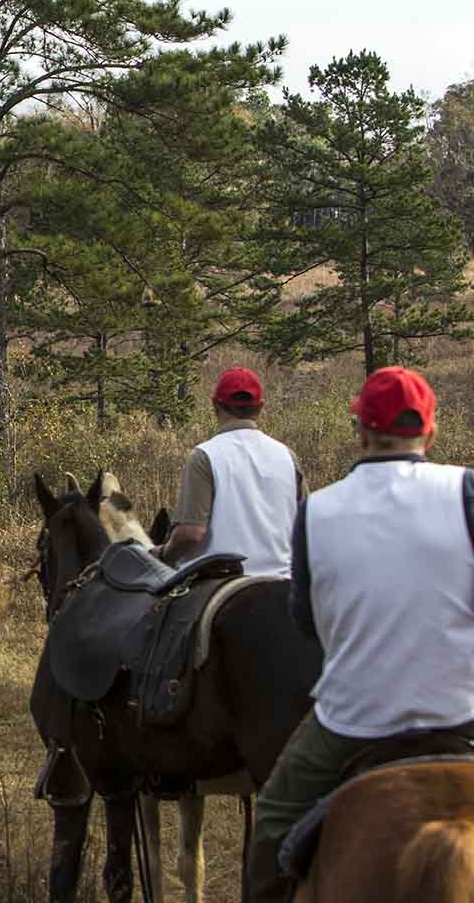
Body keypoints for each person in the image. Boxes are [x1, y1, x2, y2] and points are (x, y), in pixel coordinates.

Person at [247, 367, 474, 901]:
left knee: (274, 823)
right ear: (431, 432)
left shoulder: (315, 512)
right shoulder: (466, 490)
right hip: (463, 708)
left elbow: (305, 620)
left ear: (361, 432)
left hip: (353, 721)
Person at [161, 366, 305, 576]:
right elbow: (305, 529)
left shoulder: (204, 456)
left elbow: (191, 534)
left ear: (215, 405)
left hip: (218, 582)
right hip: (284, 582)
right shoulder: (288, 456)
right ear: (261, 406)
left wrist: (164, 554)